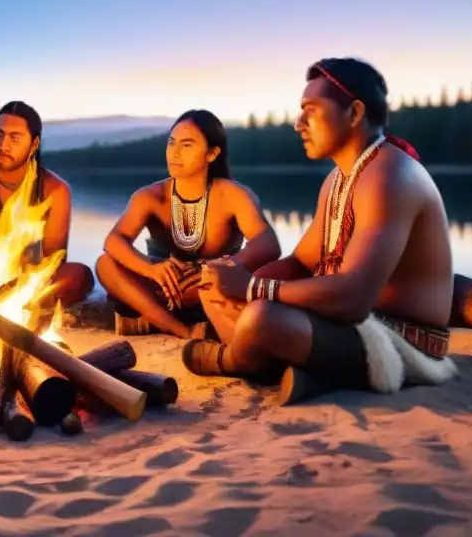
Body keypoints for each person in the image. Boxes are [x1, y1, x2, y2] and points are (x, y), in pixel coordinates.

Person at [183, 58, 458, 404]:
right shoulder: (337, 179)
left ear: (355, 113)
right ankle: (291, 367)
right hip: (342, 324)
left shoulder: (392, 175)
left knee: (261, 319)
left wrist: (254, 288)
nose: (299, 123)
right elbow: (301, 262)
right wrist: (236, 281)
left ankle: (239, 360)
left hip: (397, 342)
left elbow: (355, 298)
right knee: (214, 287)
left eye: (310, 111)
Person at [95, 109, 281, 338]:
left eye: (187, 145)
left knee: (261, 275)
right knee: (105, 264)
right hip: (163, 287)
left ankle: (152, 320)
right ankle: (181, 331)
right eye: (171, 143)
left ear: (211, 153)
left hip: (209, 289)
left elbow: (268, 243)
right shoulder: (149, 196)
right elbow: (114, 240)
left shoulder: (234, 195)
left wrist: (221, 266)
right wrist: (150, 269)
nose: (174, 153)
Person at [0, 101, 94, 308]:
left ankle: (24, 310)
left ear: (34, 143)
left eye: (14, 138)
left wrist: (22, 280)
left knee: (78, 276)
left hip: (28, 284)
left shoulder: (55, 190)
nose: (2, 145)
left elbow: (54, 261)